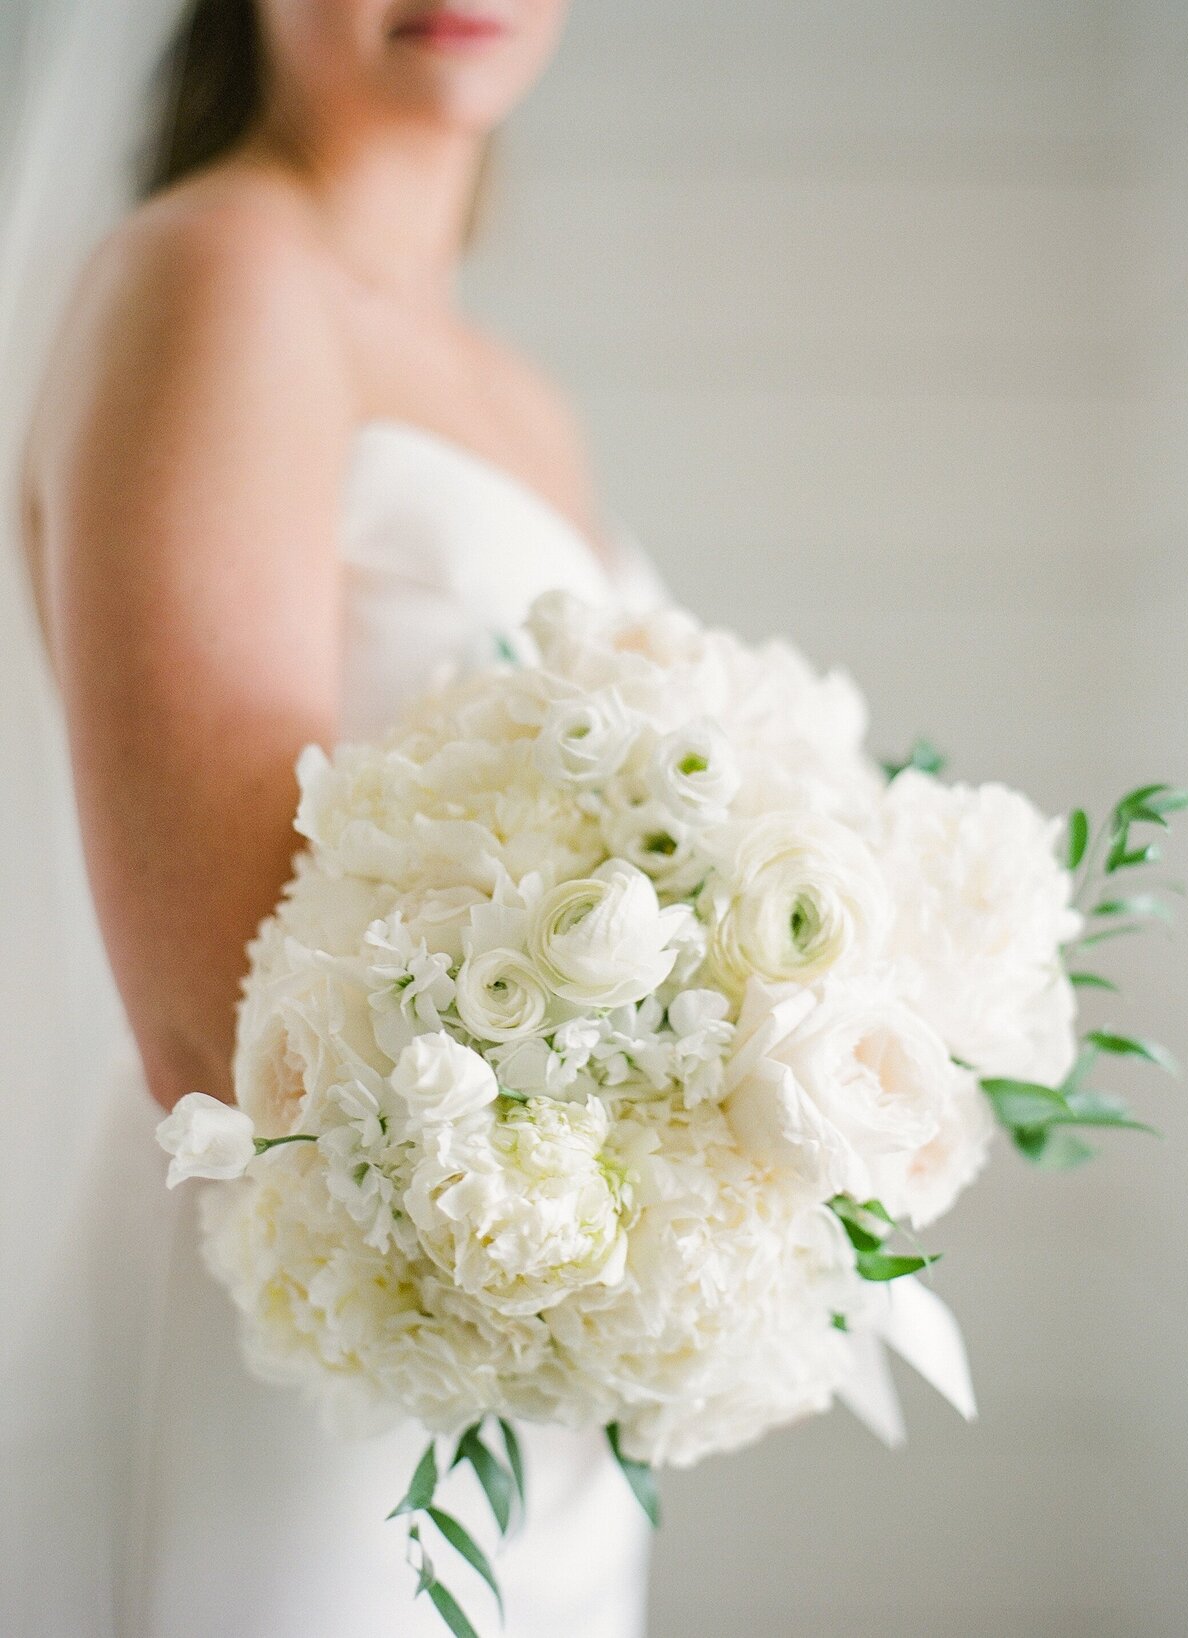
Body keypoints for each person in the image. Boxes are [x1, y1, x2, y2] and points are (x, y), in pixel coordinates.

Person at [2, 3, 662, 1632]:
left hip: (540, 1367)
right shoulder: (213, 274)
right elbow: (215, 1025)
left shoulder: (523, 398)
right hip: (315, 1361)